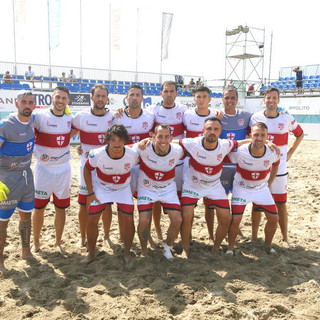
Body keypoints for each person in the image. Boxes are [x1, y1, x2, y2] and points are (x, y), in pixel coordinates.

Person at [179, 117, 242, 257]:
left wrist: (258, 141)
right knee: (186, 215)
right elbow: (171, 141)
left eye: (216, 129)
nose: (212, 132)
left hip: (214, 185)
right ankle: (185, 249)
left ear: (220, 132)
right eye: (209, 129)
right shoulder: (193, 142)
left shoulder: (225, 144)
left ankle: (216, 247)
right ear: (203, 131)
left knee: (226, 218)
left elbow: (240, 142)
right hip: (193, 185)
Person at [249, 87, 304, 246]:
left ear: (278, 100)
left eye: (274, 98)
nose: (271, 101)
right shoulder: (255, 118)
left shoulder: (286, 117)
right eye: (268, 98)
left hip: (280, 170)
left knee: (281, 204)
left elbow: (300, 134)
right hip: (260, 168)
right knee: (257, 204)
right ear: (263, 100)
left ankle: (284, 237)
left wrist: (291, 152)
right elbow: (249, 138)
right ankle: (253, 236)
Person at [81, 125, 139, 264]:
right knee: (92, 218)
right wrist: (90, 192)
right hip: (102, 188)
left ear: (125, 141)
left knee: (128, 218)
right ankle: (90, 253)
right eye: (113, 140)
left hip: (123, 188)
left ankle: (127, 252)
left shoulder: (133, 154)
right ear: (107, 140)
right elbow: (87, 169)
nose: (117, 144)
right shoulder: (97, 154)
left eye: (120, 140)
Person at [32, 86, 76, 253]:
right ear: (52, 97)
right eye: (58, 97)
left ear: (67, 101)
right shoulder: (40, 117)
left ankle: (58, 242)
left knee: (60, 208)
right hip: (43, 169)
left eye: (63, 98)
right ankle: (36, 242)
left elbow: (75, 131)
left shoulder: (70, 118)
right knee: (39, 208)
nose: (60, 101)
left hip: (63, 169)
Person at [205, 88, 251, 242]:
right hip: (220, 165)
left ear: (237, 99)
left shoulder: (245, 116)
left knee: (237, 200)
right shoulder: (215, 117)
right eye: (226, 98)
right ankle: (213, 234)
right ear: (222, 100)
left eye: (232, 98)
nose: (230, 101)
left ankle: (235, 229)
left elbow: (257, 133)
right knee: (214, 202)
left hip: (239, 165)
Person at [227, 122, 280, 254]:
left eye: (263, 135)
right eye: (256, 135)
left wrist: (270, 182)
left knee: (274, 219)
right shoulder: (240, 151)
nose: (259, 138)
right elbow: (227, 148)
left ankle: (268, 246)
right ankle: (230, 247)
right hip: (241, 188)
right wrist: (245, 141)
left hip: (261, 189)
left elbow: (276, 165)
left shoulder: (272, 151)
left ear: (267, 136)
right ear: (251, 135)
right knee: (236, 219)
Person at [72, 84, 114, 247]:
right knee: (84, 203)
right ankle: (82, 237)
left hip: (106, 167)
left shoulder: (113, 117)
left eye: (103, 96)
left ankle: (107, 235)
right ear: (92, 98)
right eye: (98, 96)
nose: (101, 99)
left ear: (107, 98)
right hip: (86, 166)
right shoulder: (80, 117)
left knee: (107, 204)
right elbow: (66, 136)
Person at [146, 81, 188, 242]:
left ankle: (183, 234)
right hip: (159, 162)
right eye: (166, 91)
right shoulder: (152, 110)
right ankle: (157, 232)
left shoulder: (184, 110)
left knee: (179, 198)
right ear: (161, 93)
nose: (169, 94)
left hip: (179, 162)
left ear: (176, 93)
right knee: (155, 200)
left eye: (172, 91)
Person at [135, 124, 183, 259]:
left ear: (171, 138)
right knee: (144, 220)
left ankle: (167, 249)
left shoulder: (177, 150)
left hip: (167, 189)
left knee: (177, 219)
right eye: (160, 136)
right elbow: (120, 149)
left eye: (166, 137)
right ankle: (144, 251)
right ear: (153, 137)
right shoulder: (142, 148)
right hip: (147, 188)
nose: (163, 140)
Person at [0, 91, 36, 272]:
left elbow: (62, 112)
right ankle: (0, 261)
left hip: (26, 176)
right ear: (17, 104)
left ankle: (26, 251)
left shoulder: (33, 121)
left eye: (30, 102)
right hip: (6, 178)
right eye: (24, 102)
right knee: (2, 221)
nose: (27, 105)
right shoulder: (6, 125)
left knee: (26, 216)